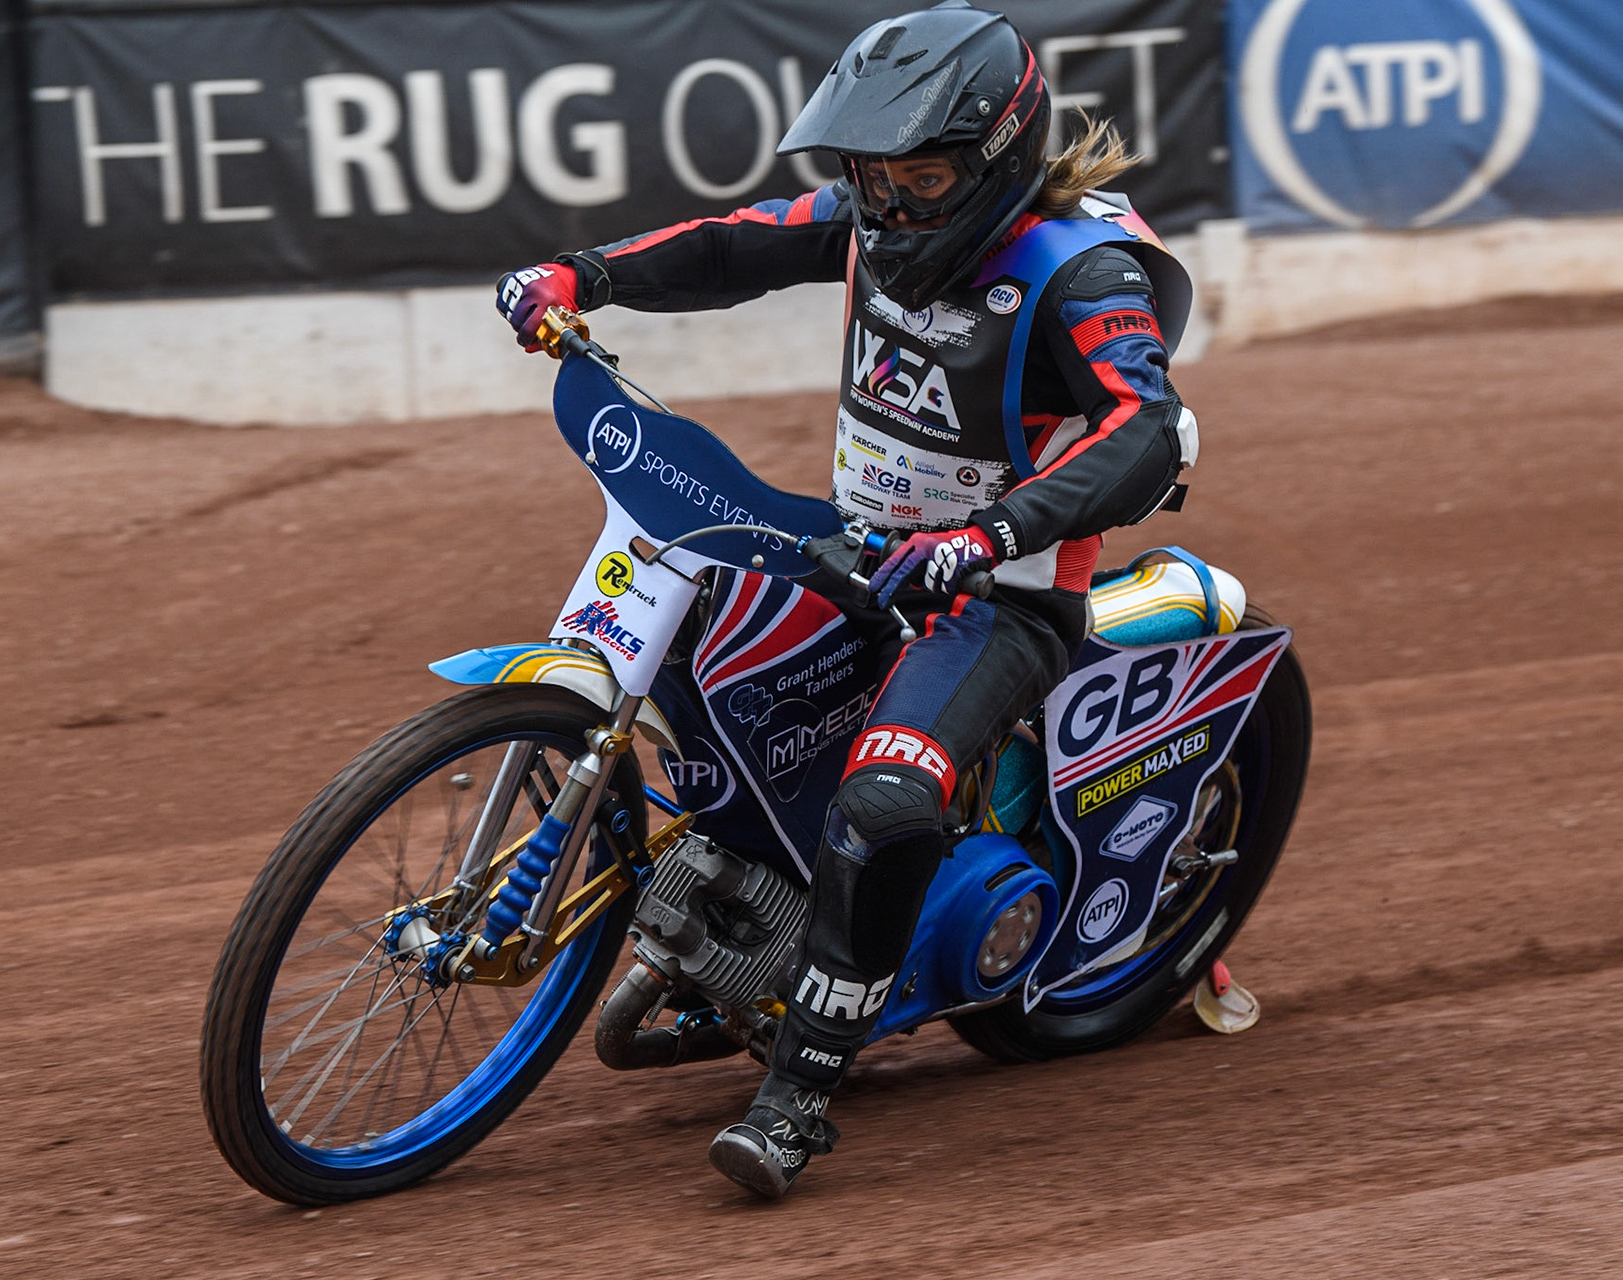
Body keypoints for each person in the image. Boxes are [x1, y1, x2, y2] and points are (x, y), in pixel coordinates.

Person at [495, 1, 1195, 1198]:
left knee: (880, 799)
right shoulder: (876, 219)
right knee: (697, 657)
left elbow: (1152, 430)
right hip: (860, 548)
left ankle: (802, 1089)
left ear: (995, 158)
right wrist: (587, 273)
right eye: (871, 173)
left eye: (921, 175)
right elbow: (733, 245)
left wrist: (991, 535)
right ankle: (743, 891)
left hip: (1000, 592)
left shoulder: (1077, 270)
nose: (890, 201)